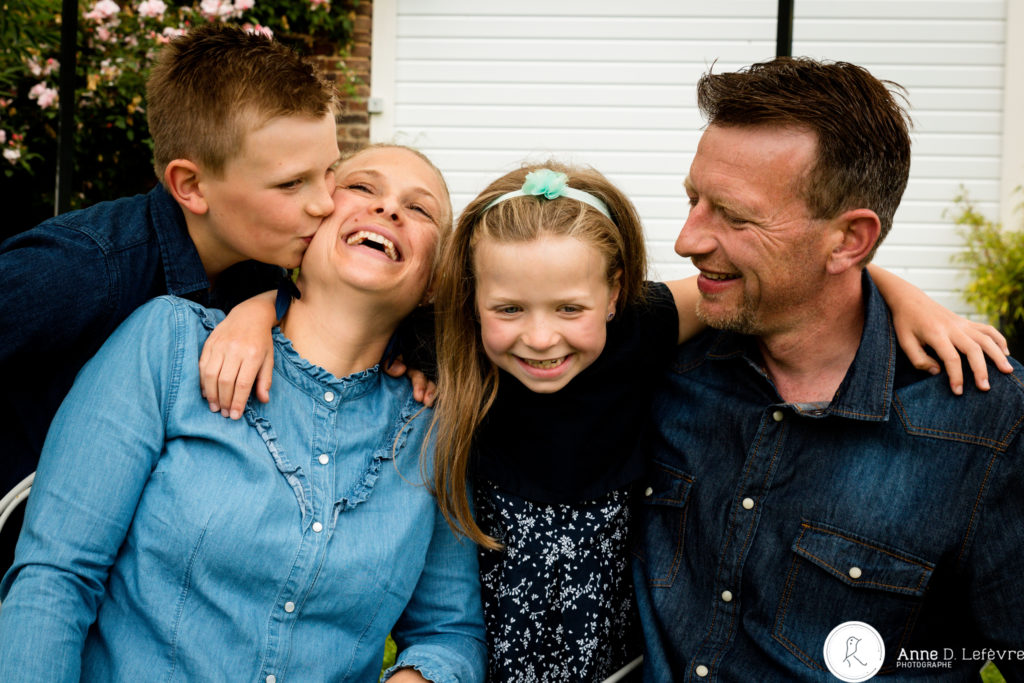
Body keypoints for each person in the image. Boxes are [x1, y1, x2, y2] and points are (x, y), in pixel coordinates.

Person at [426, 161, 1011, 682]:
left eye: (569, 309)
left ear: (613, 296)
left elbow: (824, 279)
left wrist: (906, 295)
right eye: (507, 309)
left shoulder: (638, 329)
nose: (540, 336)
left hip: (615, 653)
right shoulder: (452, 347)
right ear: (472, 299)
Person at [0, 145, 486, 682]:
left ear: (437, 280)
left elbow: (449, 633)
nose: (389, 210)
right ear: (310, 226)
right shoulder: (170, 344)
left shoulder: (433, 430)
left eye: (419, 210)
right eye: (363, 188)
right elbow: (55, 578)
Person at [632, 56, 1024, 681]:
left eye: (734, 216)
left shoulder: (982, 417)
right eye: (693, 200)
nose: (686, 239)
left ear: (848, 241)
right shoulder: (658, 365)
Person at [0, 23, 340, 568]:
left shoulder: (266, 263)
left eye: (330, 172)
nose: (325, 203)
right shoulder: (84, 268)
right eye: (291, 184)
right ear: (192, 187)